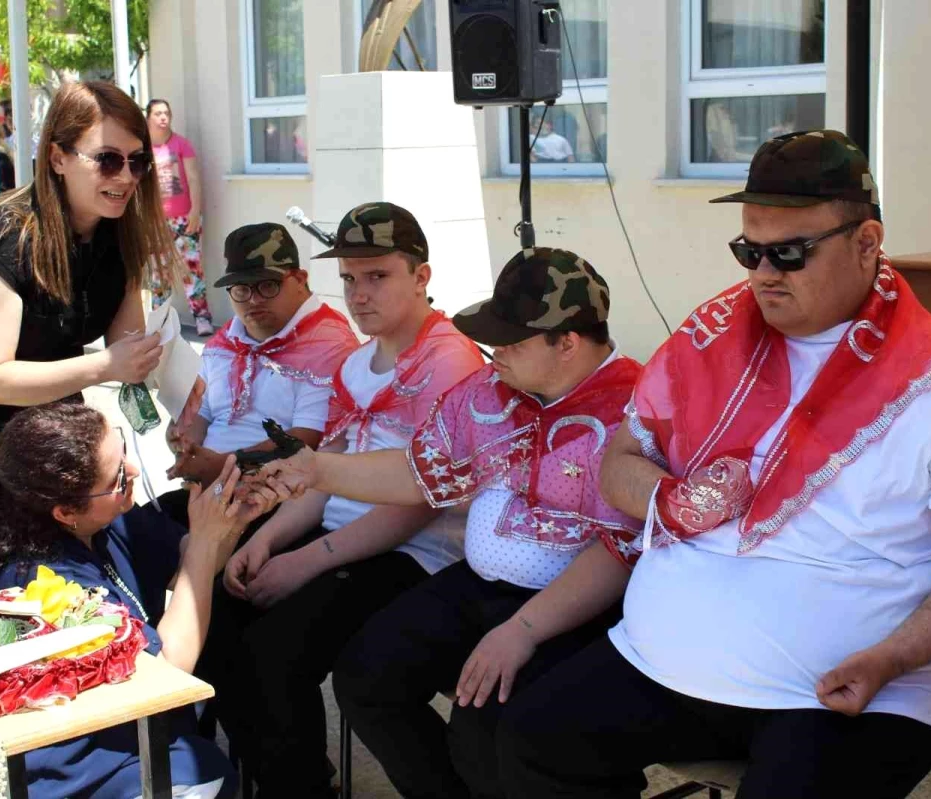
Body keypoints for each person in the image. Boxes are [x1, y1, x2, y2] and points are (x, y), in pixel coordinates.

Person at [493, 130, 931, 799]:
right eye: (748, 250)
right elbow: (621, 459)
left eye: (788, 253)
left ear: (867, 243)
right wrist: (671, 500)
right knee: (525, 744)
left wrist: (893, 657)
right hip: (663, 664)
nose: (761, 273)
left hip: (848, 691)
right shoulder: (708, 339)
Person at [248, 247, 643, 799]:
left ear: (567, 343)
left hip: (578, 604)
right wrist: (317, 469)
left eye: (511, 340)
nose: (494, 352)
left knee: (486, 732)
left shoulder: (635, 411)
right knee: (367, 679)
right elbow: (419, 471)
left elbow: (622, 549)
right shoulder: (491, 388)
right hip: (479, 582)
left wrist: (523, 630)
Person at [208, 201, 484, 799]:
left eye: (377, 276)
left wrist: (304, 560)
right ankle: (268, 777)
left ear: (422, 276)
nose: (359, 294)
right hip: (344, 539)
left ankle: (301, 788)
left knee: (277, 655)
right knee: (217, 615)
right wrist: (267, 540)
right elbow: (319, 476)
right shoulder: (358, 363)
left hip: (413, 551)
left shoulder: (450, 362)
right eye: (350, 279)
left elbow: (423, 502)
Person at [0, 80, 181, 602]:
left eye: (138, 162)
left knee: (58, 608)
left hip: (48, 449)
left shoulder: (119, 235)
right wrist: (105, 366)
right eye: (108, 160)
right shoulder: (4, 233)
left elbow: (129, 349)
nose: (126, 178)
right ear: (57, 157)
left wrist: (184, 404)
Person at [0, 402, 284, 799]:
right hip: (73, 763)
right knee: (201, 777)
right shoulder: (46, 584)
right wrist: (207, 542)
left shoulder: (106, 517)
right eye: (116, 477)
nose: (133, 473)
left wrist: (231, 520)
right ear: (65, 511)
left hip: (124, 730)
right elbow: (166, 671)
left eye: (122, 451)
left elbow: (189, 563)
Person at [159, 222, 359, 522]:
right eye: (241, 289)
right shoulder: (226, 340)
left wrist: (223, 466)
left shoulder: (328, 344)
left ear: (300, 280)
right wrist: (187, 444)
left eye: (267, 285)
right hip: (207, 490)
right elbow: (205, 411)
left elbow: (306, 439)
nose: (253, 300)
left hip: (274, 502)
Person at [145, 99, 212, 335]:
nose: (163, 118)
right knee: (159, 274)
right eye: (158, 114)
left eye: (166, 113)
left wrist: (196, 210)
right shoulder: (144, 149)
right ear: (148, 118)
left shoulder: (182, 144)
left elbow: (193, 178)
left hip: (184, 218)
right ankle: (159, 321)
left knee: (191, 270)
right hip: (155, 222)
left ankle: (202, 318)